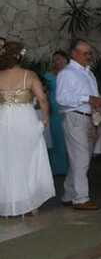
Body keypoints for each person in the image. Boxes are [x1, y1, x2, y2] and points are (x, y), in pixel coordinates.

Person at [0, 40, 56, 217]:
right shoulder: (29, 75)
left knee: (7, 160)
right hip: (25, 119)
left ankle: (9, 203)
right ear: (20, 56)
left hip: (4, 120)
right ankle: (31, 203)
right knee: (29, 159)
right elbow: (42, 99)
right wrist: (46, 119)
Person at [56, 39, 101, 210]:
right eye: (85, 53)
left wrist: (98, 106)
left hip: (90, 118)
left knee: (81, 158)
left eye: (90, 53)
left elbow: (94, 96)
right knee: (81, 158)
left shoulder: (88, 73)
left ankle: (69, 194)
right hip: (75, 118)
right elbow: (61, 99)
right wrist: (87, 99)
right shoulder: (66, 73)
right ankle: (81, 199)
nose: (89, 56)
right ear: (74, 54)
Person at [44, 50, 70, 176]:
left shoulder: (72, 74)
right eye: (54, 59)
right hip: (55, 111)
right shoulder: (49, 76)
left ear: (66, 59)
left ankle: (72, 169)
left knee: (70, 141)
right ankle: (58, 169)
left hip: (70, 109)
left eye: (59, 58)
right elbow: (45, 93)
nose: (56, 62)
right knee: (57, 140)